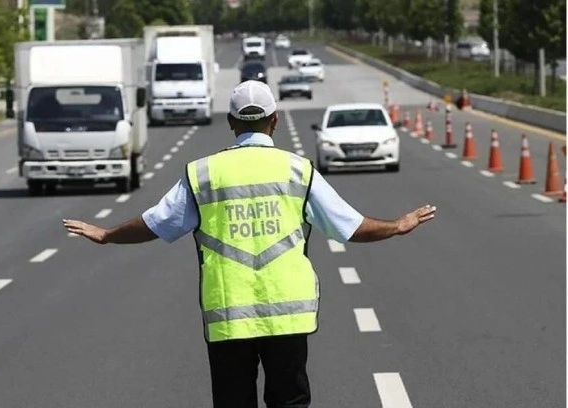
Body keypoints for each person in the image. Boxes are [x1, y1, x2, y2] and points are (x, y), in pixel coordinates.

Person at [63, 80, 436, 408]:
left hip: (229, 315)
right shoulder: (297, 170)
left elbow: (156, 223)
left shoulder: (204, 173)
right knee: (289, 400)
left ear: (230, 123)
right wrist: (397, 225)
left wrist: (107, 235)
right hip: (288, 315)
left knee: (233, 401)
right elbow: (349, 227)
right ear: (274, 121)